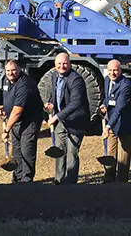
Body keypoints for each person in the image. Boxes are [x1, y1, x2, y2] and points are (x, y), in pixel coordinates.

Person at [45, 53, 90, 185]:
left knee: (71, 153)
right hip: (62, 121)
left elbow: (75, 103)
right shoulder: (54, 75)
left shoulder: (76, 79)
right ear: (55, 64)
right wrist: (51, 103)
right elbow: (55, 94)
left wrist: (56, 117)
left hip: (76, 121)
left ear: (69, 64)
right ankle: (58, 180)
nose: (62, 66)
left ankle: (70, 183)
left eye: (65, 63)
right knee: (59, 151)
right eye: (59, 64)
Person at [0, 60, 43, 183]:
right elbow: (9, 100)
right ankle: (17, 178)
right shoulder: (6, 81)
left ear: (19, 69)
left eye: (13, 70)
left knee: (26, 149)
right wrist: (5, 109)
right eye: (8, 71)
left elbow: (17, 110)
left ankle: (27, 179)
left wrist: (6, 130)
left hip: (30, 120)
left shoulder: (25, 83)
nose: (11, 73)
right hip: (16, 121)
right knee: (17, 150)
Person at [99, 59, 131, 183]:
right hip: (112, 122)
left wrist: (108, 126)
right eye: (110, 70)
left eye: (115, 70)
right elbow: (108, 98)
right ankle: (109, 179)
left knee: (123, 155)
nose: (113, 73)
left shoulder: (125, 85)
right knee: (110, 151)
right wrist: (104, 106)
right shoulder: (106, 80)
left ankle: (122, 182)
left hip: (125, 123)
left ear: (120, 70)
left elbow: (119, 108)